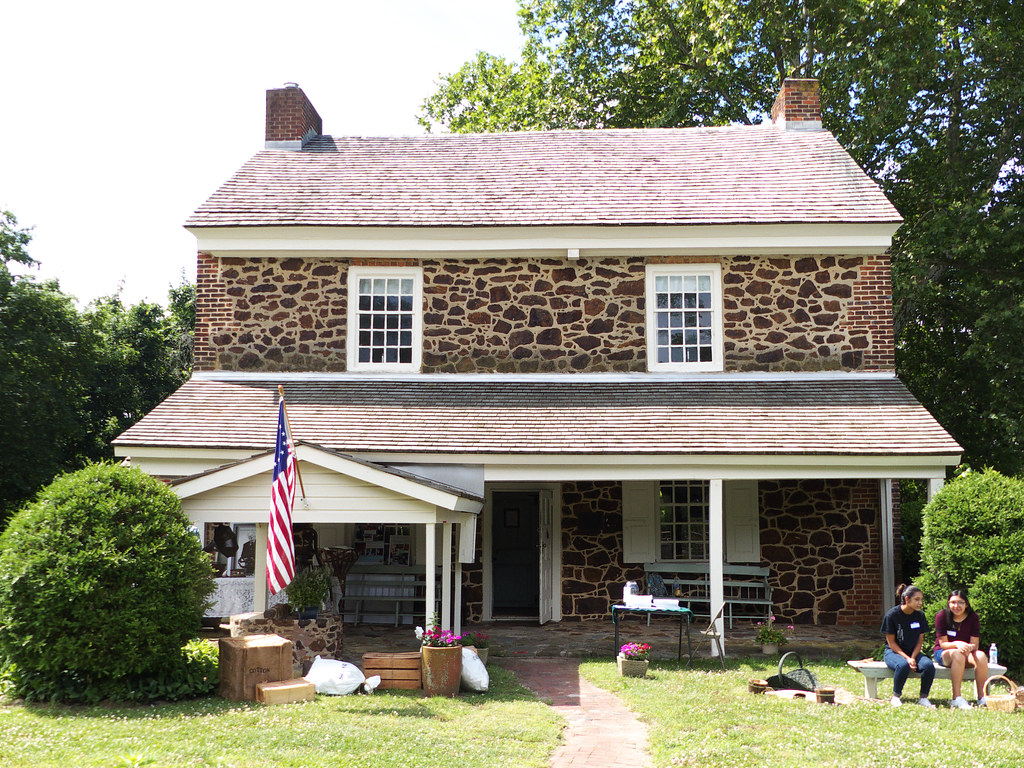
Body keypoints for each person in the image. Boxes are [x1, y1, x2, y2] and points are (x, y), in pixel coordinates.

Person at [880, 583, 935, 707]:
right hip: (893, 652)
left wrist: (913, 657)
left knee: (928, 666)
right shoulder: (892, 615)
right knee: (903, 665)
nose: (920, 603)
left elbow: (920, 640)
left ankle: (923, 698)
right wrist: (907, 658)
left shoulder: (920, 615)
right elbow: (891, 643)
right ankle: (896, 696)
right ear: (907, 599)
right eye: (917, 599)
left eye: (921, 600)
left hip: (913, 652)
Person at [934, 589, 989, 708]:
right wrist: (957, 644)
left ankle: (982, 697)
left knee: (981, 656)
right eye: (953, 602)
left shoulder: (973, 617)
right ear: (948, 604)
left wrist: (969, 646)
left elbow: (975, 644)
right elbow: (943, 644)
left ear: (966, 604)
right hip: (944, 652)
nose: (956, 606)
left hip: (966, 652)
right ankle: (956, 698)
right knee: (957, 654)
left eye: (960, 602)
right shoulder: (942, 616)